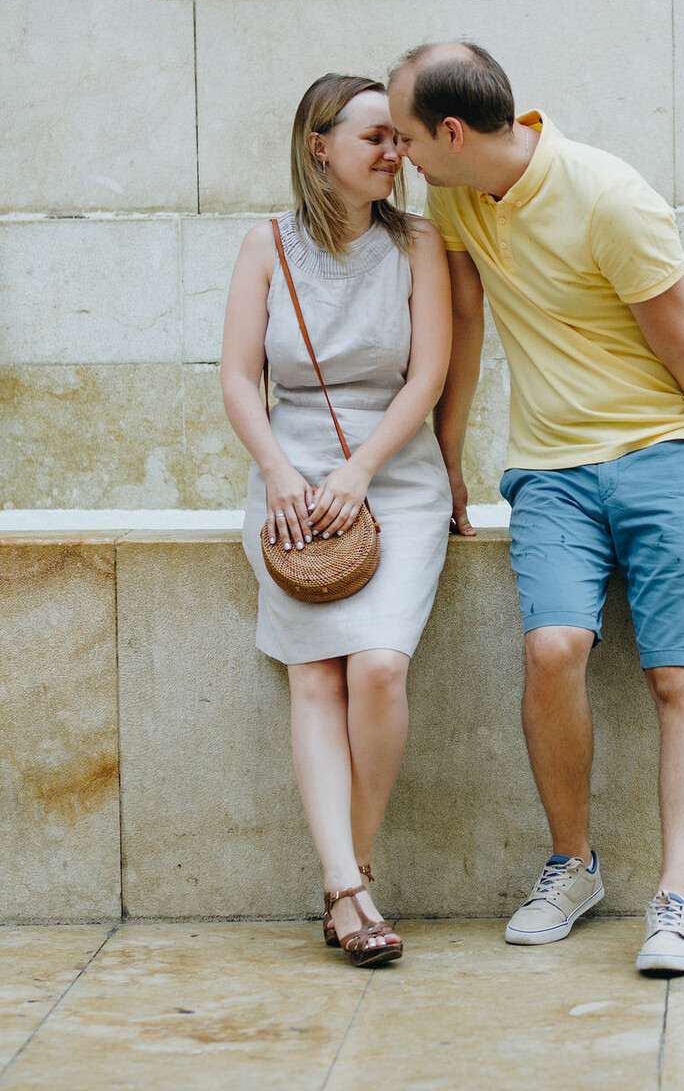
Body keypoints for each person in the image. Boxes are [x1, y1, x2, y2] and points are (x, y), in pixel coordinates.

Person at [387, 42, 684, 975]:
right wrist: (447, 464)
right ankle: (572, 866)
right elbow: (465, 330)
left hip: (667, 458)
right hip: (551, 472)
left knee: (679, 679)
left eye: (409, 137)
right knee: (552, 647)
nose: (402, 156)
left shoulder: (613, 201)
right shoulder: (455, 197)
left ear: (451, 132)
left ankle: (675, 902)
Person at [219, 73, 453, 967]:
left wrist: (360, 471)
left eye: (400, 139)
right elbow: (242, 377)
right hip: (292, 482)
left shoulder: (420, 244)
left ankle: (344, 869)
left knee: (380, 669)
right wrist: (280, 472)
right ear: (320, 148)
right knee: (314, 678)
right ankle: (351, 893)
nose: (396, 153)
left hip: (392, 475)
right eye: (376, 139)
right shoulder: (265, 246)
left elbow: (426, 375)